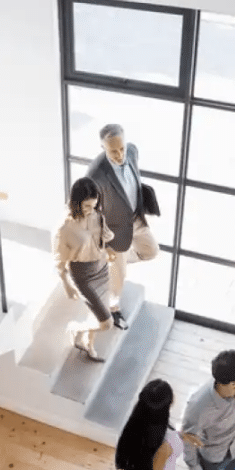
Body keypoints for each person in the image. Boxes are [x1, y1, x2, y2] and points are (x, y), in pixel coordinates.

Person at [84, 124, 160, 330]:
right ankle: (113, 309)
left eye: (121, 149)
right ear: (102, 147)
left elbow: (132, 160)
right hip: (115, 230)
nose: (119, 155)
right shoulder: (95, 175)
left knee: (151, 251)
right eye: (112, 151)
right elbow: (89, 211)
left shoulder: (132, 151)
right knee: (119, 278)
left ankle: (111, 266)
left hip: (136, 218)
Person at [52, 177, 117, 361]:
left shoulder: (97, 216)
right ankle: (75, 328)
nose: (91, 211)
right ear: (76, 202)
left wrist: (108, 250)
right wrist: (66, 283)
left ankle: (89, 344)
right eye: (86, 206)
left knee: (97, 312)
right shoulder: (65, 228)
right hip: (83, 275)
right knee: (106, 323)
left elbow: (102, 239)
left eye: (94, 205)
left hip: (102, 269)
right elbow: (59, 259)